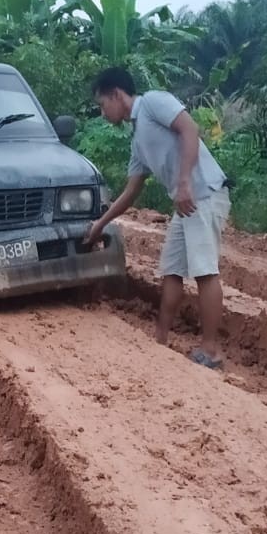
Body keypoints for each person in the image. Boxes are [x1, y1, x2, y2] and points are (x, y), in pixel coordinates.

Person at [86, 67, 231, 369]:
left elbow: (190, 129)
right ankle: (160, 341)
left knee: (204, 271)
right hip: (185, 203)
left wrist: (184, 182)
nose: (103, 113)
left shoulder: (153, 102)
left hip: (202, 194)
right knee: (172, 270)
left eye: (103, 105)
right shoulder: (138, 139)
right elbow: (130, 191)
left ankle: (211, 350)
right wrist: (99, 225)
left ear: (117, 94)